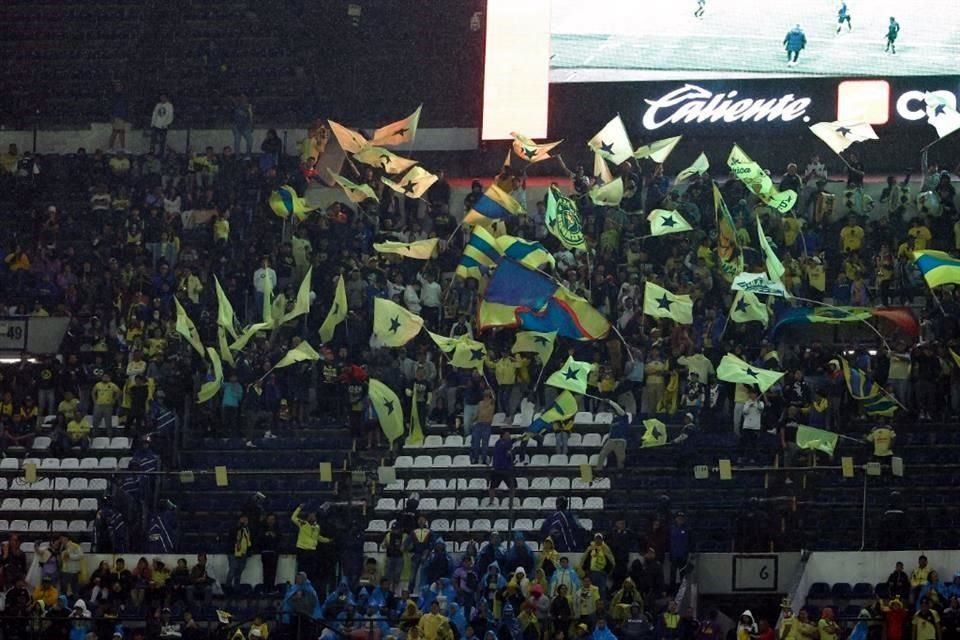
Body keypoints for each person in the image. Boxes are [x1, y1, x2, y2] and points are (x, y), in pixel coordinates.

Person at [291, 504, 332, 588]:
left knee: (311, 571)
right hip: (302, 549)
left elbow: (318, 537)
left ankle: (308, 586)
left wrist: (328, 540)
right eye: (311, 516)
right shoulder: (303, 524)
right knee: (302, 570)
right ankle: (299, 586)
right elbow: (293, 518)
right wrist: (299, 508)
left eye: (314, 516)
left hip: (312, 550)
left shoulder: (317, 527)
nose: (312, 517)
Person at [488, 429, 517, 505]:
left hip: (505, 468)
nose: (509, 436)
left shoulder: (499, 443)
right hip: (500, 469)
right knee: (492, 487)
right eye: (507, 435)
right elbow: (508, 452)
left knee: (512, 486)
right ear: (502, 436)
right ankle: (491, 502)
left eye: (509, 435)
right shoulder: (501, 443)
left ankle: (510, 503)